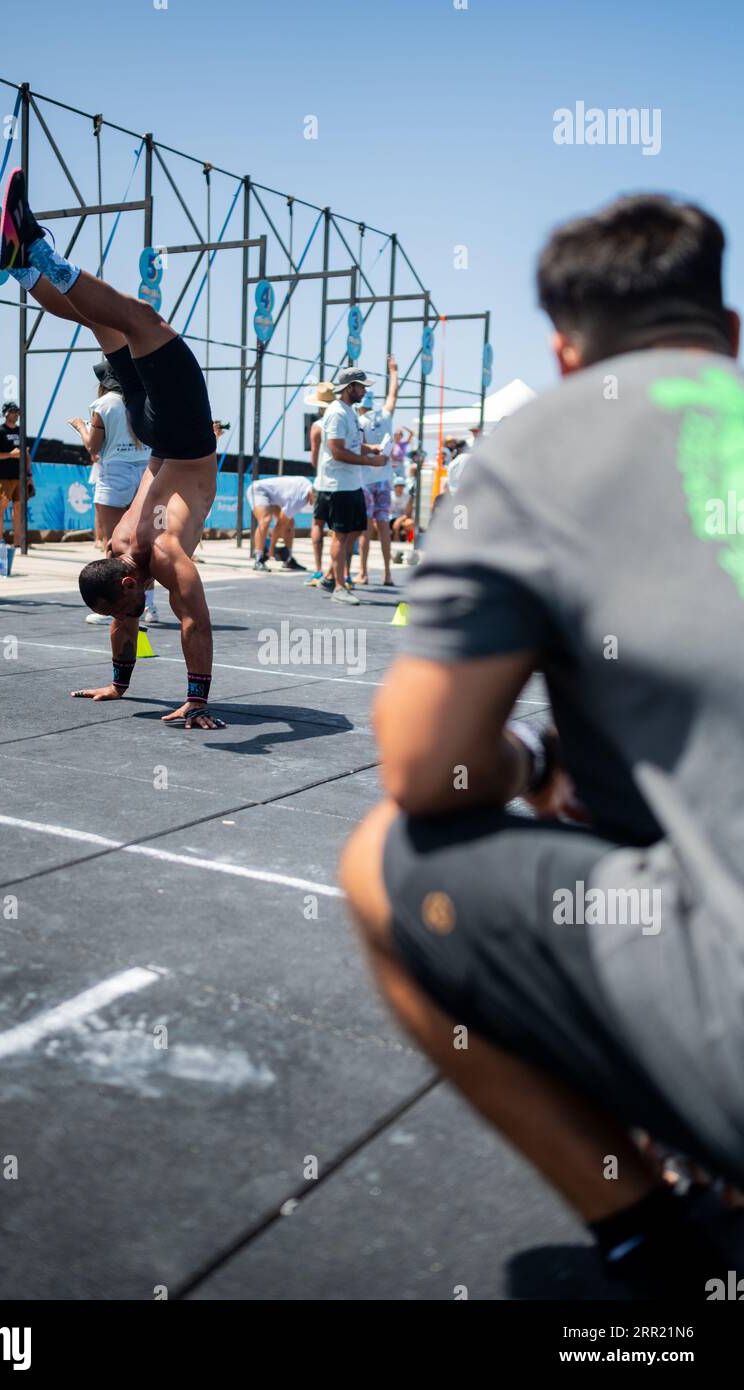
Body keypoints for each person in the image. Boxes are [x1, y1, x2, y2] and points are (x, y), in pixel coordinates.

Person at [340, 193, 744, 1297]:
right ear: (731, 331)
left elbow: (425, 766)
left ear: (566, 353)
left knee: (385, 856)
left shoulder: (539, 445)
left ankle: (654, 1242)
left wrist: (531, 763)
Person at [0, 167, 222, 730]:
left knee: (135, 320)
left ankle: (27, 250)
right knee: (108, 324)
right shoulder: (124, 550)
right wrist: (126, 685)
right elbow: (154, 620)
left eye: (130, 608)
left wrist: (191, 699)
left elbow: (190, 624)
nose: (132, 619)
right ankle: (22, 267)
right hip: (163, 434)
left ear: (122, 577)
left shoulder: (150, 556)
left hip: (177, 438)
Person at [69, 362, 159, 625]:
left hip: (115, 471)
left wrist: (80, 427)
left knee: (113, 544)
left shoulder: (104, 404)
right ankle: (149, 607)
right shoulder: (143, 398)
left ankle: (115, 607)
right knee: (144, 545)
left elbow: (93, 448)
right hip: (145, 472)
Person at [315, 367, 387, 605]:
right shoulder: (337, 413)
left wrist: (371, 449)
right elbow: (337, 451)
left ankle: (329, 576)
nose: (364, 391)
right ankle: (338, 586)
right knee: (342, 535)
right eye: (361, 386)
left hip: (351, 483)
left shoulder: (350, 411)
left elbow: (354, 444)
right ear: (349, 388)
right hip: (337, 485)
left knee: (355, 531)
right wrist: (370, 460)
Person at [356, 354, 400, 586]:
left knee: (364, 529)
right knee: (384, 527)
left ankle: (363, 573)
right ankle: (387, 573)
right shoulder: (385, 415)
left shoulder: (359, 422)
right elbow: (393, 393)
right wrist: (393, 370)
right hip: (384, 480)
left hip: (365, 480)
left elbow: (356, 450)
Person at [303, 381, 335, 587]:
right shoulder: (342, 419)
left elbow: (314, 460)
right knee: (339, 530)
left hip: (322, 480)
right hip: (341, 481)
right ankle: (337, 571)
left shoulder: (317, 426)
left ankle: (317, 569)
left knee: (318, 523)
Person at [246, 474, 313, 571]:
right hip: (258, 490)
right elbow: (280, 524)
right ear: (311, 494)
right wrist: (271, 549)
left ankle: (288, 560)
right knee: (265, 520)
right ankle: (258, 559)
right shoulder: (298, 498)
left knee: (290, 523)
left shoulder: (310, 490)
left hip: (275, 497)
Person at [0, 402, 33, 549]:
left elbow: (26, 454)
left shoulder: (21, 431)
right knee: (1, 508)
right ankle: (0, 540)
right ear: (5, 413)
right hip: (5, 477)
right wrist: (10, 454)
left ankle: (18, 541)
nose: (16, 414)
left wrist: (30, 475)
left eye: (17, 411)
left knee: (18, 508)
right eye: (12, 411)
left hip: (20, 476)